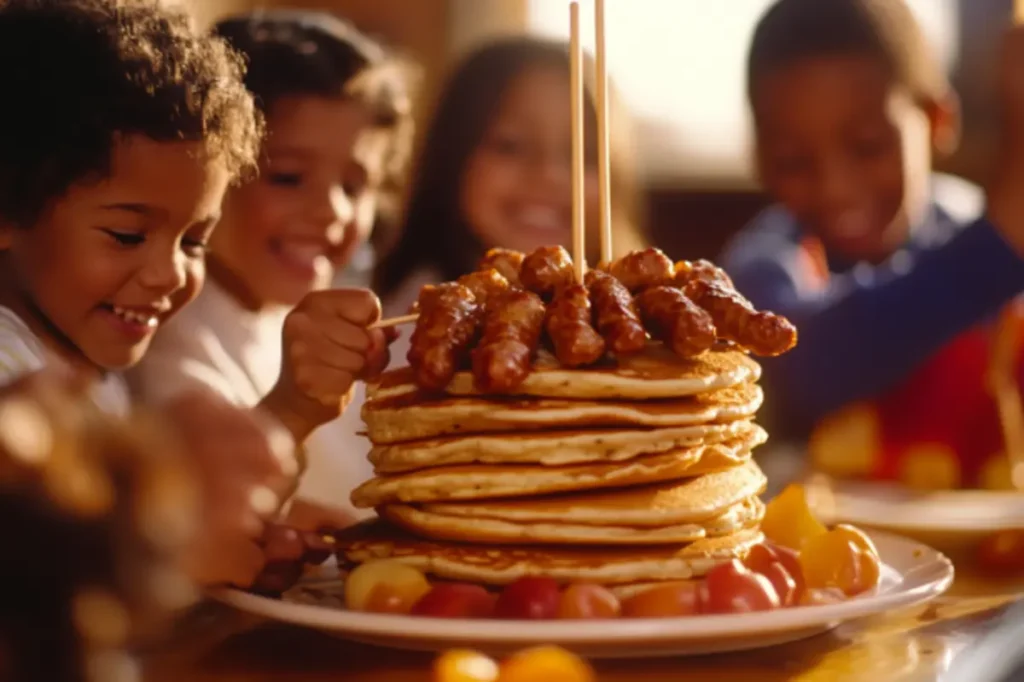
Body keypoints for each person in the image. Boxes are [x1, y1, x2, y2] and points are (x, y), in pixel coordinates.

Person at [0, 0, 385, 587]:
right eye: (127, 235)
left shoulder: (90, 372)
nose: (171, 274)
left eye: (194, 241)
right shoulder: (11, 376)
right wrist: (175, 555)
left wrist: (249, 528)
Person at [720, 0, 1024, 488]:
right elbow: (811, 370)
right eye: (794, 161)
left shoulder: (971, 228)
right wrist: (1002, 246)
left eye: (868, 146)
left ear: (937, 120)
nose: (835, 187)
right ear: (757, 156)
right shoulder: (757, 270)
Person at [128, 10, 411, 524]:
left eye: (353, 185)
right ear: (208, 177)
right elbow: (193, 511)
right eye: (287, 177)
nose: (332, 211)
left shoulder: (314, 323)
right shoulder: (164, 337)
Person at [373, 36, 647, 323]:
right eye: (511, 145)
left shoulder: (639, 319)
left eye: (585, 154)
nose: (549, 175)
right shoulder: (403, 325)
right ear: (452, 153)